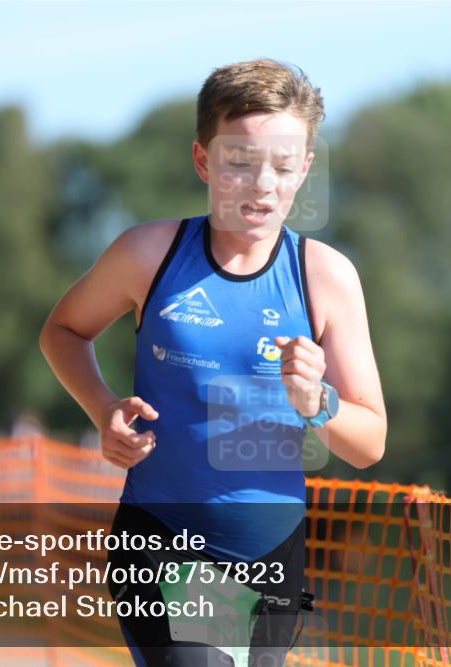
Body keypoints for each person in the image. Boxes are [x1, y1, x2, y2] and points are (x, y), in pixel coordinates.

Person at [40, 57, 387, 666]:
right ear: (203, 160)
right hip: (168, 544)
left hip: (274, 558)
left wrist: (318, 403)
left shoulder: (326, 278)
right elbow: (63, 330)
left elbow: (370, 442)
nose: (263, 185)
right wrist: (102, 410)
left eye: (283, 166)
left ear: (305, 168)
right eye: (241, 162)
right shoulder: (149, 254)